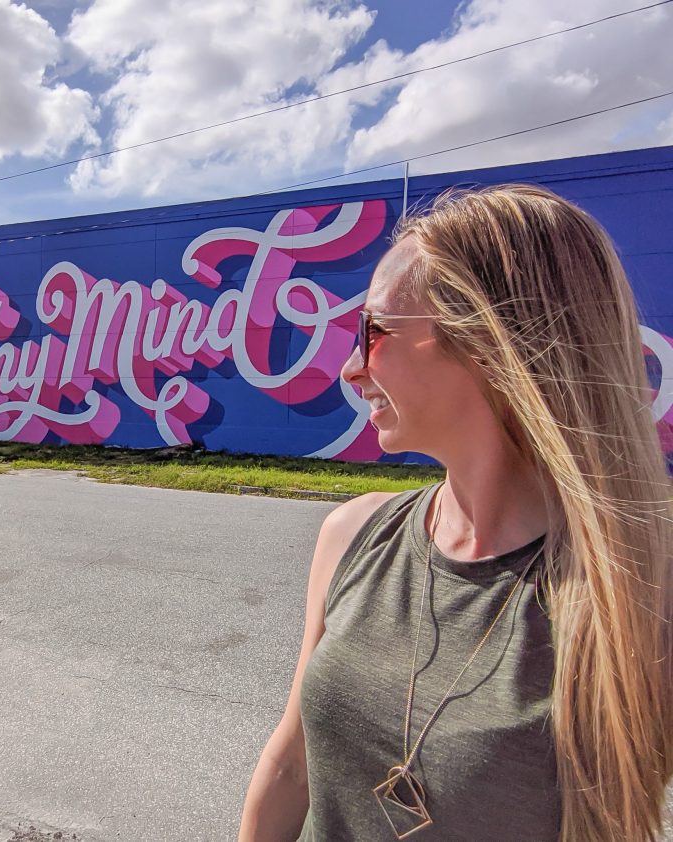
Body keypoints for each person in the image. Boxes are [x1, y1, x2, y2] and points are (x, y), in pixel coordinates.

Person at [238, 184, 673, 842]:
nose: (350, 369)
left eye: (375, 332)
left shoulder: (640, 585)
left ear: (490, 338)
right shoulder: (352, 535)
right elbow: (291, 765)